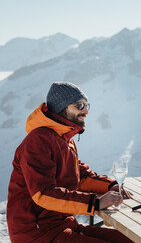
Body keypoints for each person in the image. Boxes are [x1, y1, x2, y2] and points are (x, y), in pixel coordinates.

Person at [7, 81, 133, 242]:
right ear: (62, 107)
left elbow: (81, 176)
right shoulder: (38, 141)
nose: (86, 111)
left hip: (62, 225)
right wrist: (95, 203)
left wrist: (111, 186)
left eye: (87, 105)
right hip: (36, 233)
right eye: (79, 105)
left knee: (131, 240)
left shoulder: (65, 140)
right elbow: (43, 193)